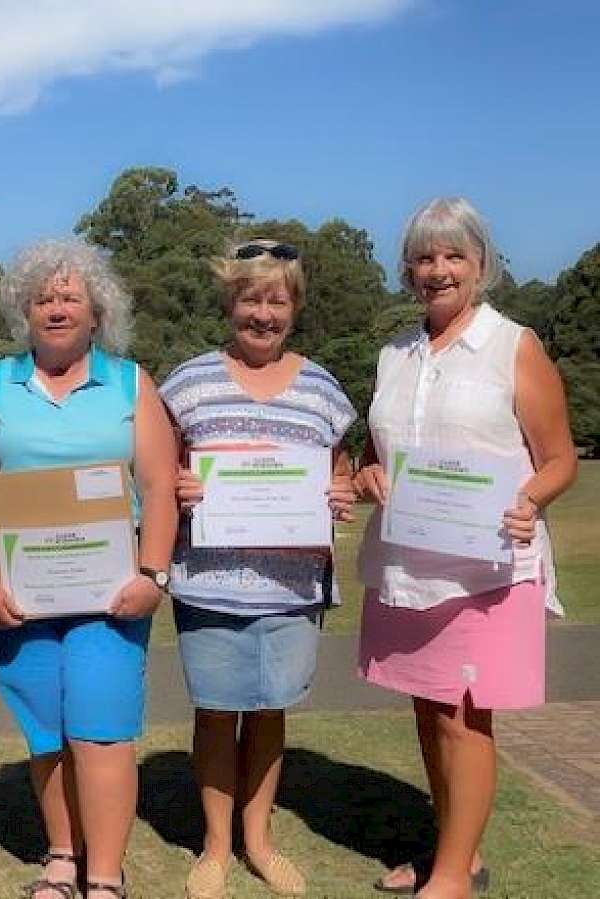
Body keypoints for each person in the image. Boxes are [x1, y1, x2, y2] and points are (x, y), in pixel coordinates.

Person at [355, 198, 577, 899]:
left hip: (488, 563)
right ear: (408, 271)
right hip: (407, 562)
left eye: (454, 255)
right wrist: (365, 474)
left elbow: (559, 457)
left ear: (482, 264)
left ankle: (450, 875)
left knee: (463, 712)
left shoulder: (516, 345)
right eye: (424, 256)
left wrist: (530, 499)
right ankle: (459, 855)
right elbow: (374, 453)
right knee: (428, 706)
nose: (438, 269)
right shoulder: (395, 354)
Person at [0, 238, 177, 899]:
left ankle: (104, 875)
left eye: (69, 296)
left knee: (101, 727)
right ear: (25, 309)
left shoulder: (132, 382)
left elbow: (159, 487)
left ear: (96, 309)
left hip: (113, 591)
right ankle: (61, 857)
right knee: (47, 728)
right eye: (43, 297)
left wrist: (153, 575)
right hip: (17, 590)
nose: (56, 307)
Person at [160, 240, 356, 899]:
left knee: (271, 711)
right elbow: (159, 471)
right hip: (208, 581)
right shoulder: (187, 383)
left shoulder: (324, 387)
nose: (263, 313)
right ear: (230, 304)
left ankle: (259, 841)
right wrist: (179, 486)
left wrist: (341, 489)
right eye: (251, 298)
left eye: (277, 299)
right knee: (217, 711)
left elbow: (339, 468)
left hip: (293, 585)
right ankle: (215, 848)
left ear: (295, 307)